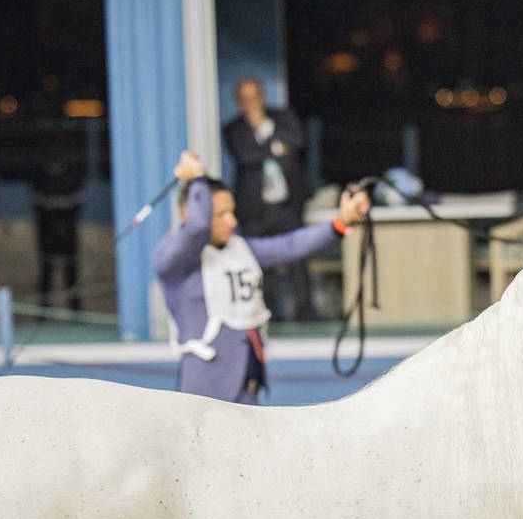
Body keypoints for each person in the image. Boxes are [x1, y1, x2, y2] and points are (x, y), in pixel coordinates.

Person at [151, 150, 368, 403]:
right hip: (205, 390)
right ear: (191, 213)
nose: (232, 221)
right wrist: (198, 178)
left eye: (232, 212)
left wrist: (341, 222)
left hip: (248, 382)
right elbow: (198, 227)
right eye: (220, 214)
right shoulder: (173, 261)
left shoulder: (241, 249)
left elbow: (290, 246)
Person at [223, 77, 314, 320]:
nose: (251, 103)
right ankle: (267, 315)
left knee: (298, 260)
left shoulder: (283, 118)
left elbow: (297, 141)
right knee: (262, 265)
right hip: (255, 209)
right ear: (239, 102)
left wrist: (264, 129)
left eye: (254, 97)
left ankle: (306, 313)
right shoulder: (234, 129)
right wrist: (275, 147)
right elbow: (245, 156)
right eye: (246, 99)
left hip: (287, 205)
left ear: (262, 97)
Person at [29, 155, 85, 310]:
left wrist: (58, 207)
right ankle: (44, 310)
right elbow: (38, 205)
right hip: (47, 235)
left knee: (71, 271)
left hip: (68, 234)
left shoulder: (72, 176)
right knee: (46, 270)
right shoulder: (40, 177)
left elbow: (77, 203)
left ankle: (76, 310)